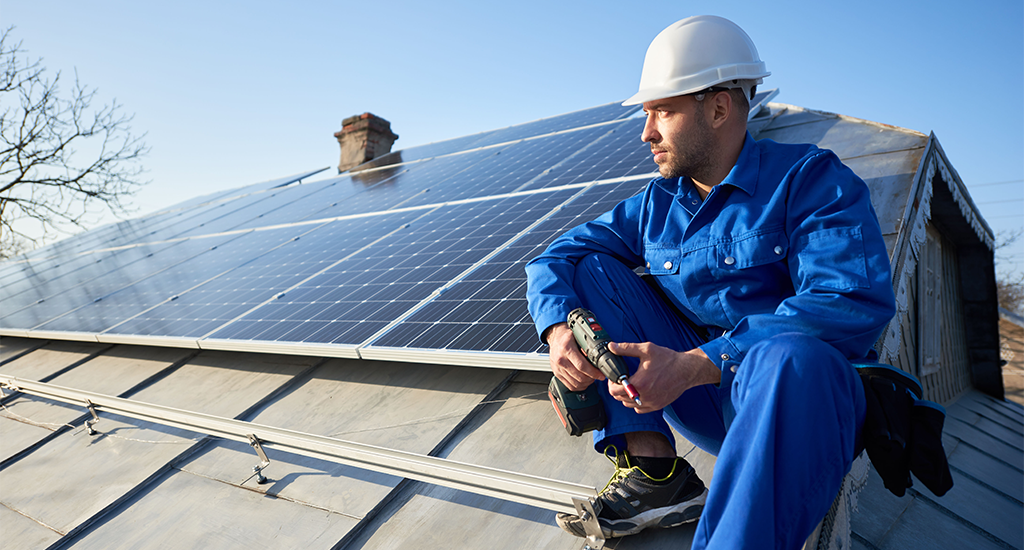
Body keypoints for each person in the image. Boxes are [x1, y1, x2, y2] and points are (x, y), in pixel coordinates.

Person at [525, 15, 896, 550]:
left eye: (663, 112)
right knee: (588, 268)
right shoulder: (656, 205)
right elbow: (556, 256)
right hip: (704, 400)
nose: (646, 132)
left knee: (789, 357)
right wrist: (559, 330)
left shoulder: (810, 179)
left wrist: (698, 363)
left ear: (719, 107)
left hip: (793, 405)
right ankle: (655, 474)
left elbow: (847, 302)